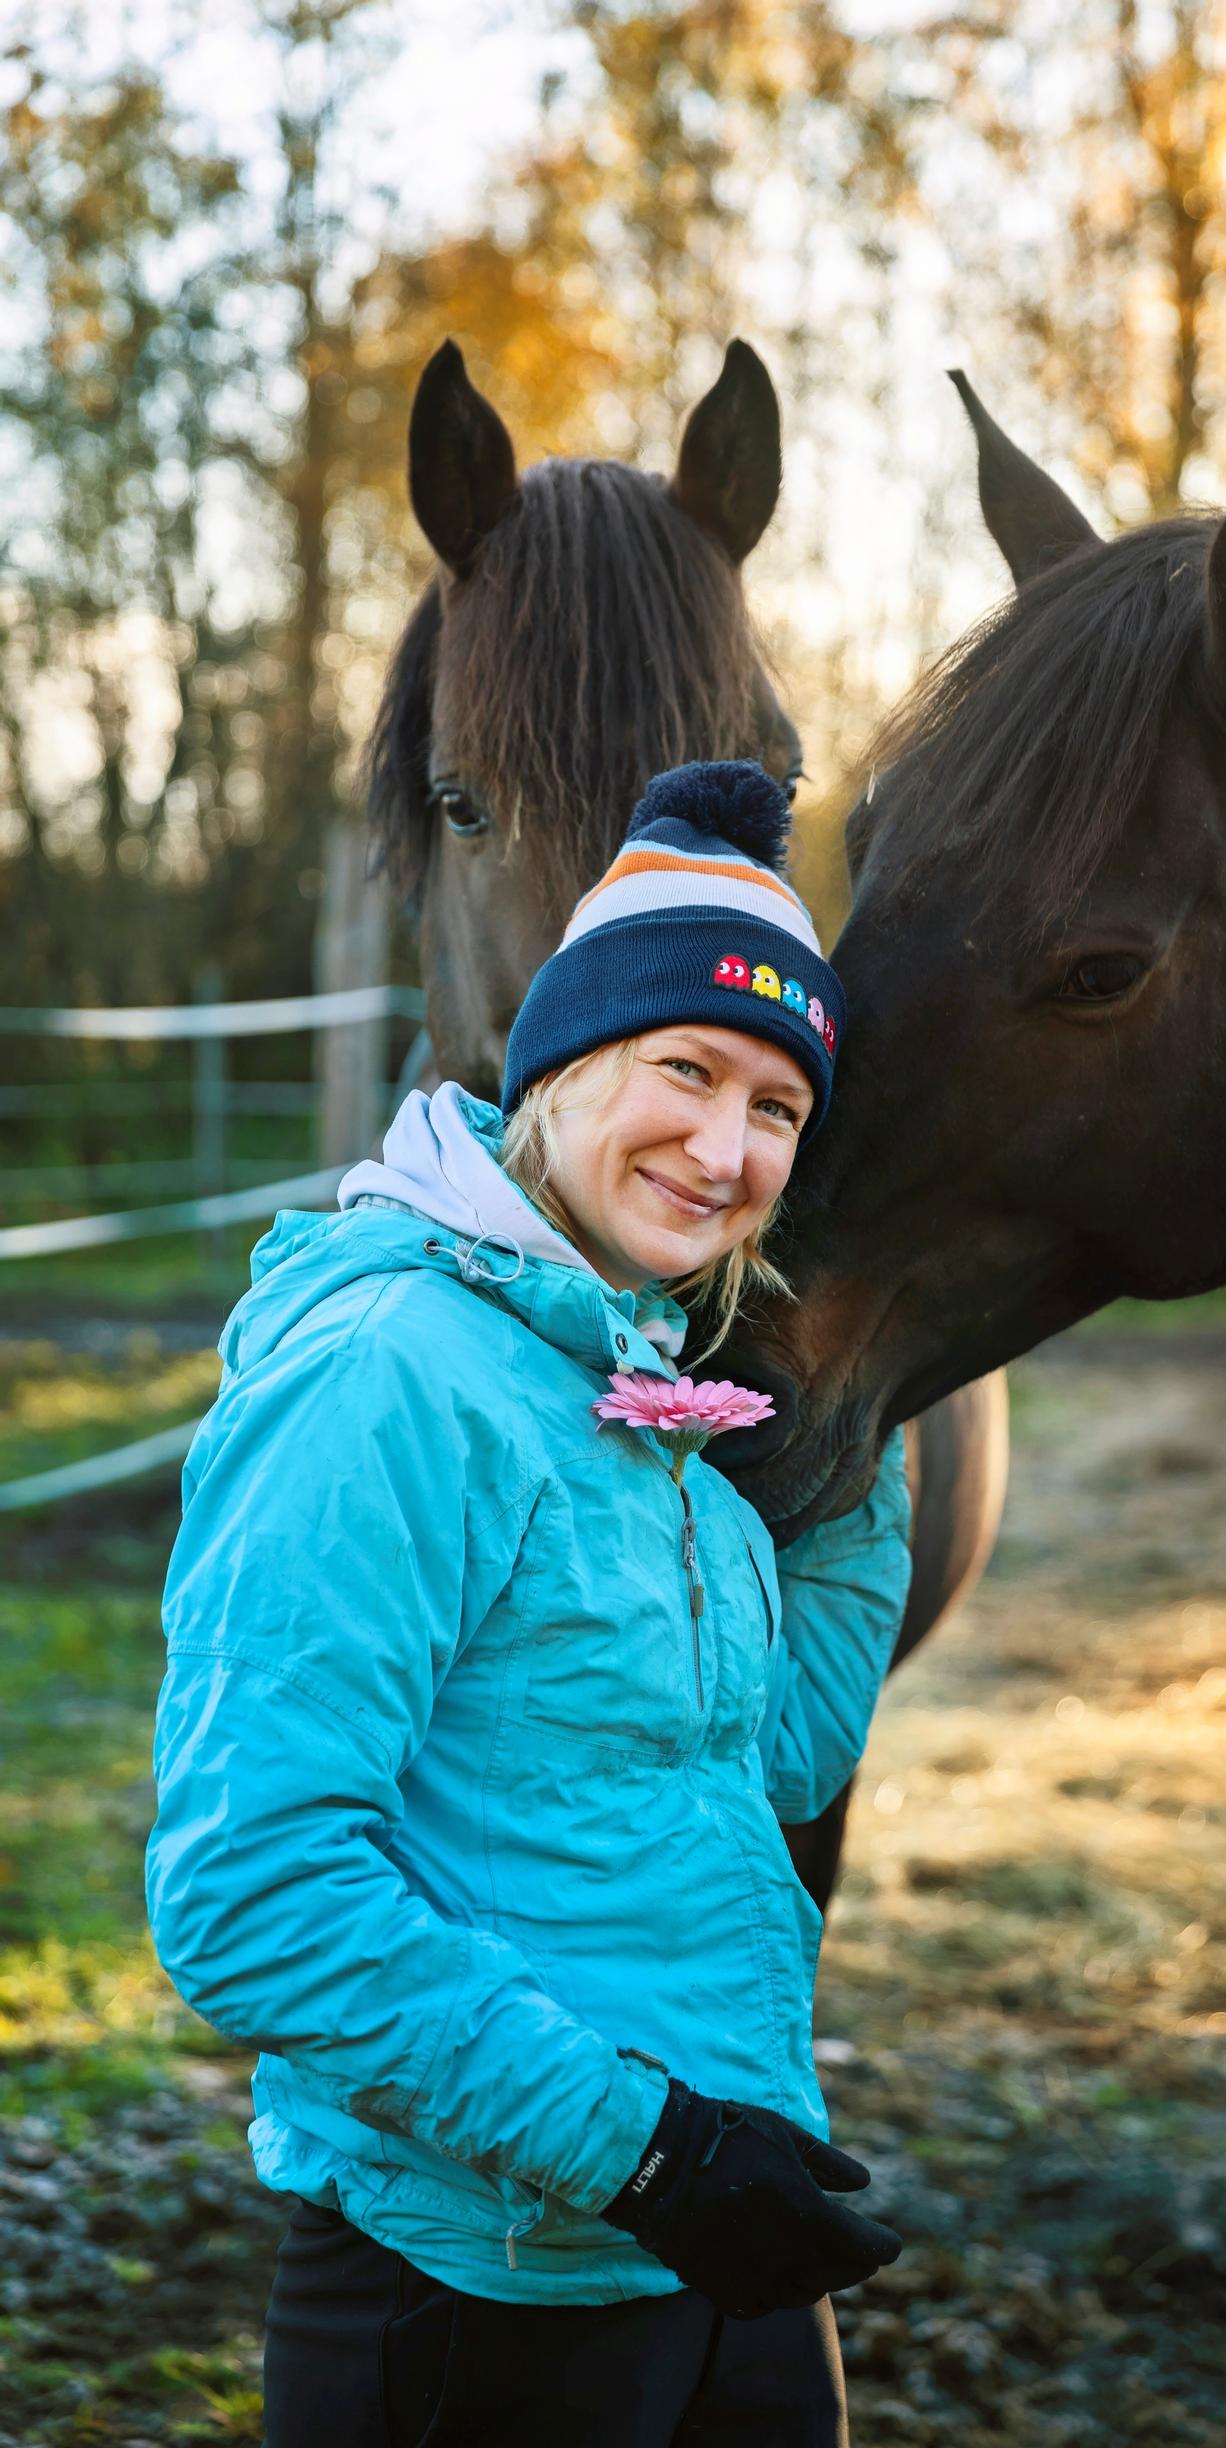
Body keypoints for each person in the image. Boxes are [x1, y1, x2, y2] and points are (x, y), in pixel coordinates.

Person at [146, 761, 913, 2447]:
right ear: (563, 1064)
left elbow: (764, 1761)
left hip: (707, 2223)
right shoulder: (389, 1373)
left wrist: (875, 1412)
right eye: (685, 1068)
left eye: (778, 1108)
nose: (724, 1149)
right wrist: (644, 2154)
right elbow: (248, 1885)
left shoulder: (630, 1375)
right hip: (483, 2271)